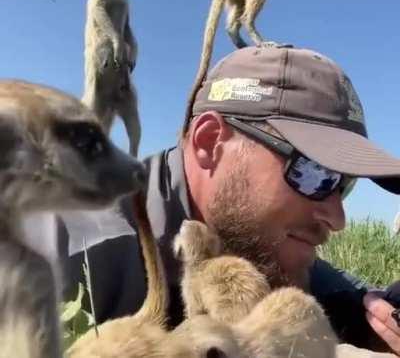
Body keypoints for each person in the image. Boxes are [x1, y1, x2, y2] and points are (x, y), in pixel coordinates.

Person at [61, 45, 400, 355]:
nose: (338, 218)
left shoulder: (253, 240)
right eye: (315, 174)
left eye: (344, 184)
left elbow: (344, 294)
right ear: (210, 143)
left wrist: (374, 316)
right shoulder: (75, 257)